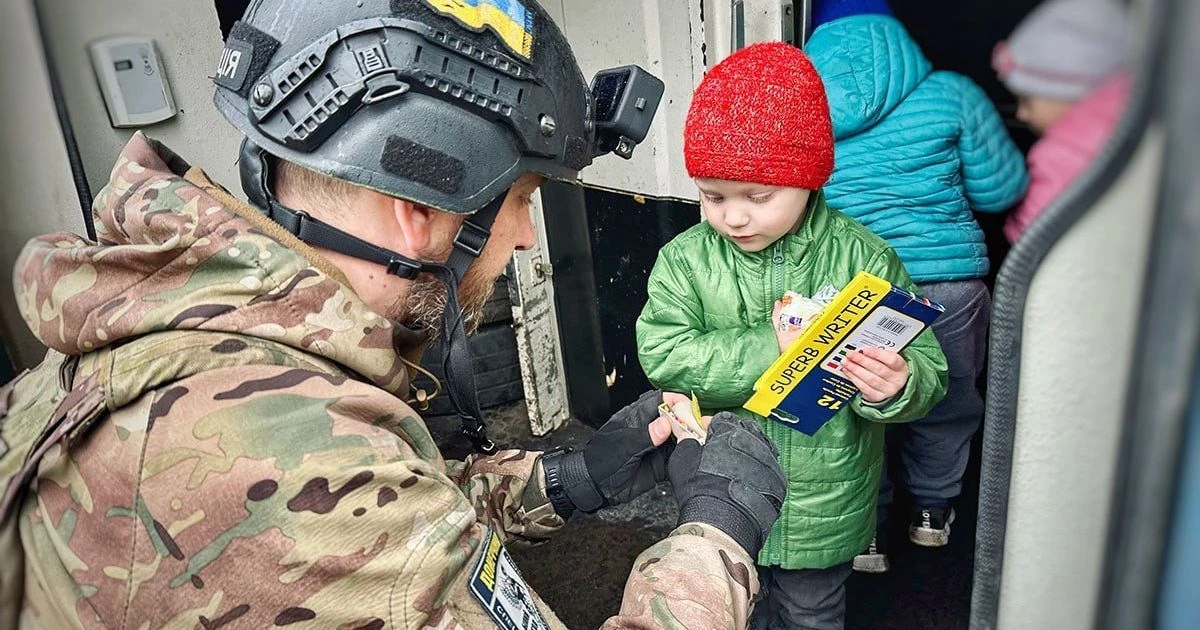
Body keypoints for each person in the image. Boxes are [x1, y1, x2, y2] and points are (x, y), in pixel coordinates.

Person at [0, 1, 787, 628]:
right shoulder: (286, 460)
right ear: (422, 202)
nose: (520, 239)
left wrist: (572, 476)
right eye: (521, 202)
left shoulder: (184, 320)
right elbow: (338, 504)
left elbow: (396, 496)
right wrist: (716, 535)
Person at [636, 42, 948, 630]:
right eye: (713, 195)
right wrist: (768, 347)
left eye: (758, 196)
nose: (733, 217)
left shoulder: (865, 258)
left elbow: (929, 371)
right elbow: (663, 354)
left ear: (809, 179)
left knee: (812, 614)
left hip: (824, 505)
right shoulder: (684, 260)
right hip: (723, 496)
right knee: (731, 611)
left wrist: (897, 385)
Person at [803, 0, 1029, 572]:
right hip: (947, 284)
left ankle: (864, 530)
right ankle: (931, 512)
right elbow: (1001, 190)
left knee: (852, 406)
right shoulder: (951, 93)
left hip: (850, 284)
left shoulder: (797, 102)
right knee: (947, 401)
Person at [993, 0, 1132, 243]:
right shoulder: (1128, 130)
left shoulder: (1059, 154)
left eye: (1027, 101)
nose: (1021, 114)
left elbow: (1031, 232)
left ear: (1069, 94)